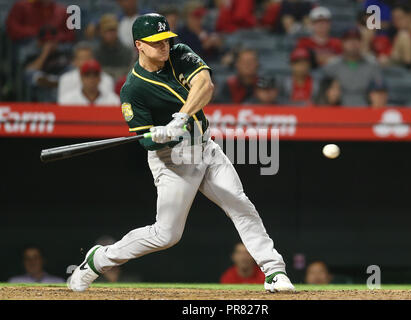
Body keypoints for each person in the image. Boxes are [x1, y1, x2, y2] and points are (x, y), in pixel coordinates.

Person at [67, 13, 294, 293]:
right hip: (172, 160)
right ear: (139, 45)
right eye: (157, 42)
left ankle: (273, 271)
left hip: (205, 147)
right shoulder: (133, 90)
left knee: (240, 204)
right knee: (166, 235)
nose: (164, 46)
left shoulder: (178, 53)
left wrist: (180, 118)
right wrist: (158, 137)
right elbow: (144, 140)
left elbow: (205, 85)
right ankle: (98, 259)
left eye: (166, 40)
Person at [322, 27, 382, 106]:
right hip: (338, 110)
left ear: (361, 42)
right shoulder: (332, 65)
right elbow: (322, 92)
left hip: (366, 109)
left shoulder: (372, 65)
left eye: (356, 39)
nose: (353, 43)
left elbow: (380, 89)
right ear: (342, 43)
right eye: (348, 40)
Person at [24, 25, 71, 102]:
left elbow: (71, 73)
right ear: (39, 42)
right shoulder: (33, 55)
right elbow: (30, 73)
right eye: (46, 41)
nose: (49, 44)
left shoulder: (64, 52)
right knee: (30, 73)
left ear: (57, 41)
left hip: (62, 86)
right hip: (43, 90)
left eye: (52, 41)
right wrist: (45, 53)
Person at [6, 0, 75, 43]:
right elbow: (12, 29)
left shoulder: (62, 11)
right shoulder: (22, 6)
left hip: (56, 48)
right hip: (29, 46)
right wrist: (37, 32)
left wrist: (54, 37)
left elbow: (71, 35)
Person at [94, 14, 134, 80]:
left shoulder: (127, 52)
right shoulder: (95, 52)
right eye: (107, 31)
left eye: (113, 30)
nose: (111, 34)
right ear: (101, 32)